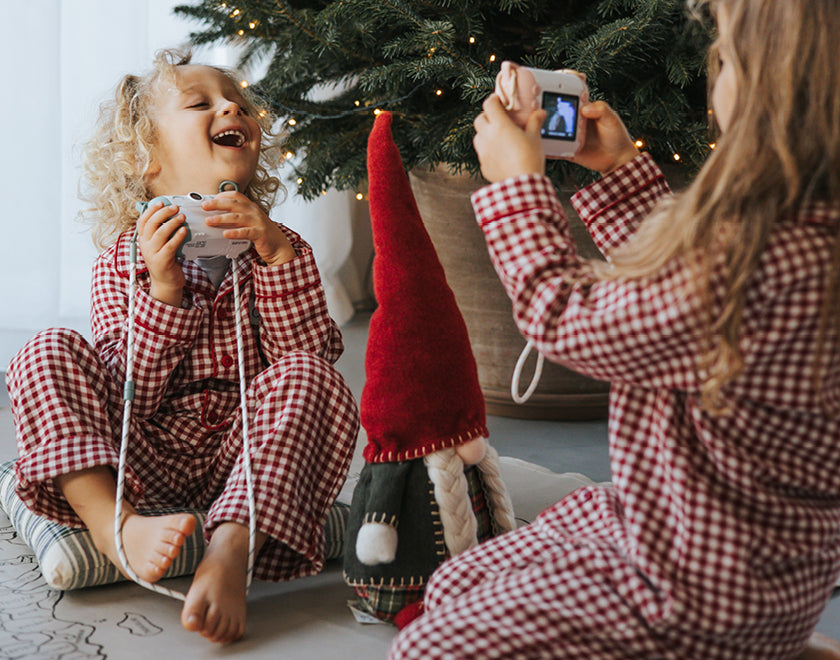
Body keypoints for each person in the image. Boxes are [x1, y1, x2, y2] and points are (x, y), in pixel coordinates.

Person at [389, 0, 840, 657]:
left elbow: (563, 317)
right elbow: (668, 308)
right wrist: (622, 173)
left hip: (689, 593)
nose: (719, 76)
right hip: (755, 566)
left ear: (780, 94)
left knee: (424, 650)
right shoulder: (802, 237)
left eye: (732, 61)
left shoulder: (752, 262)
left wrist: (518, 185)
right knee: (464, 579)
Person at [5, 50, 359, 645]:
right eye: (201, 103)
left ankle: (229, 551)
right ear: (147, 160)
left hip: (244, 465)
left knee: (308, 376)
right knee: (46, 350)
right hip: (140, 461)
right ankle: (113, 527)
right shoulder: (124, 259)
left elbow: (308, 364)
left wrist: (275, 258)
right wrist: (163, 291)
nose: (230, 107)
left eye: (238, 103)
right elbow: (130, 397)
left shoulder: (280, 246)